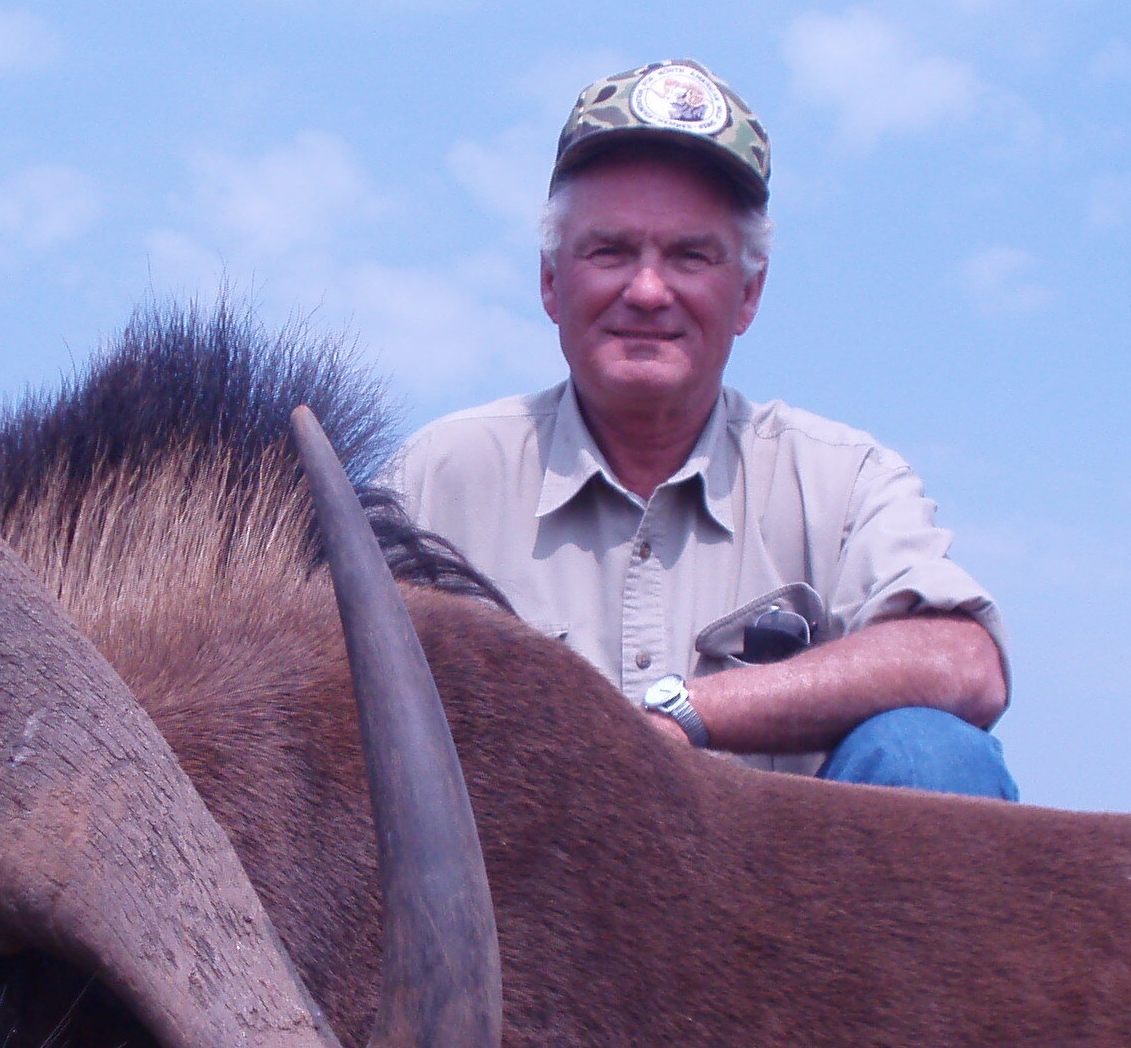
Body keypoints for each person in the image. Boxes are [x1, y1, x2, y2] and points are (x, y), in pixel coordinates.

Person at [385, 59, 1015, 794]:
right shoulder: (433, 480)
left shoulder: (844, 482)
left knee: (931, 755)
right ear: (551, 281)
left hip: (780, 907)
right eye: (610, 251)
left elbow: (964, 662)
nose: (648, 291)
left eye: (690, 256)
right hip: (507, 904)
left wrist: (684, 712)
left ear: (748, 294)